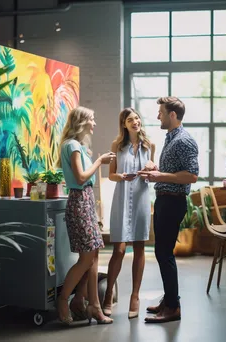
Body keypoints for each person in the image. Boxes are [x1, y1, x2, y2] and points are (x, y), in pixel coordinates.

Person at [138, 96, 199, 323]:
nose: (158, 116)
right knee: (162, 253)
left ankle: (172, 307)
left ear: (173, 115)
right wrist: (157, 168)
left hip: (173, 202)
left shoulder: (183, 140)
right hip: (165, 199)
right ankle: (170, 299)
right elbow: (175, 171)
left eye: (161, 113)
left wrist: (160, 175)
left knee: (164, 253)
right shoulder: (172, 138)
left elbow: (192, 175)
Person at [57, 106, 115, 325]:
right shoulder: (72, 146)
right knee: (86, 257)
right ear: (82, 122)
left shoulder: (77, 146)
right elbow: (81, 178)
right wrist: (99, 162)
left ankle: (91, 305)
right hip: (80, 201)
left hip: (86, 201)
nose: (94, 123)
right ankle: (64, 300)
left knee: (94, 254)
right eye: (92, 119)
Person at [102, 108, 155, 319]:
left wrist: (151, 168)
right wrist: (122, 176)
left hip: (142, 197)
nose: (136, 121)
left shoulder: (149, 145)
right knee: (120, 250)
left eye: (137, 118)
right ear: (124, 124)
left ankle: (135, 296)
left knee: (140, 246)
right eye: (131, 119)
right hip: (122, 198)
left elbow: (153, 173)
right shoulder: (117, 146)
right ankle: (107, 296)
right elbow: (112, 175)